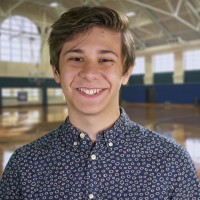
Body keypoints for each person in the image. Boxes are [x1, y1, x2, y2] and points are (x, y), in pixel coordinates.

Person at [0, 5, 200, 200]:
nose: (89, 73)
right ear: (56, 72)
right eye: (76, 58)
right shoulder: (23, 166)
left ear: (126, 72)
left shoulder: (172, 161)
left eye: (105, 60)